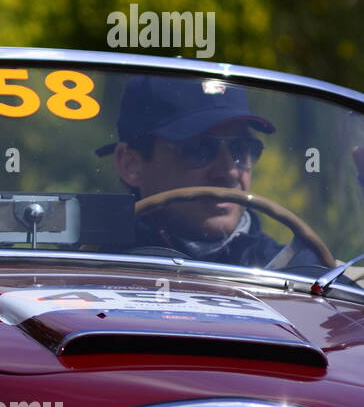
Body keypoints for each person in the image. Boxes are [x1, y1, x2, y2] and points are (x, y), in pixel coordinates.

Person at [96, 75, 322, 269]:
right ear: (131, 165)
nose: (229, 172)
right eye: (199, 149)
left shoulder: (300, 270)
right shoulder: (88, 263)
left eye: (241, 149)